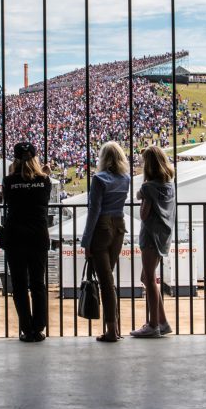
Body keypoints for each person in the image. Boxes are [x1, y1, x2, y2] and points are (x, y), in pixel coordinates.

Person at [1, 141, 52, 343]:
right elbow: (44, 199)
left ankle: (26, 328)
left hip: (15, 236)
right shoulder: (44, 181)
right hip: (38, 235)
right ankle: (39, 328)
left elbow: (7, 199)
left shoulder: (8, 181)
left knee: (19, 284)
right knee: (38, 284)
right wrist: (44, 174)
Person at [81, 141, 130, 343]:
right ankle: (115, 326)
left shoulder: (99, 179)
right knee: (109, 279)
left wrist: (86, 241)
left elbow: (94, 210)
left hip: (101, 227)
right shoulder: (125, 178)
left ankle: (111, 330)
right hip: (119, 226)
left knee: (106, 283)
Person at [130, 145, 175, 338]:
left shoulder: (148, 187)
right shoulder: (169, 185)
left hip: (150, 236)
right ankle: (163, 322)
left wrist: (141, 195)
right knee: (146, 277)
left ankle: (153, 324)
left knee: (149, 278)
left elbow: (144, 214)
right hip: (164, 235)